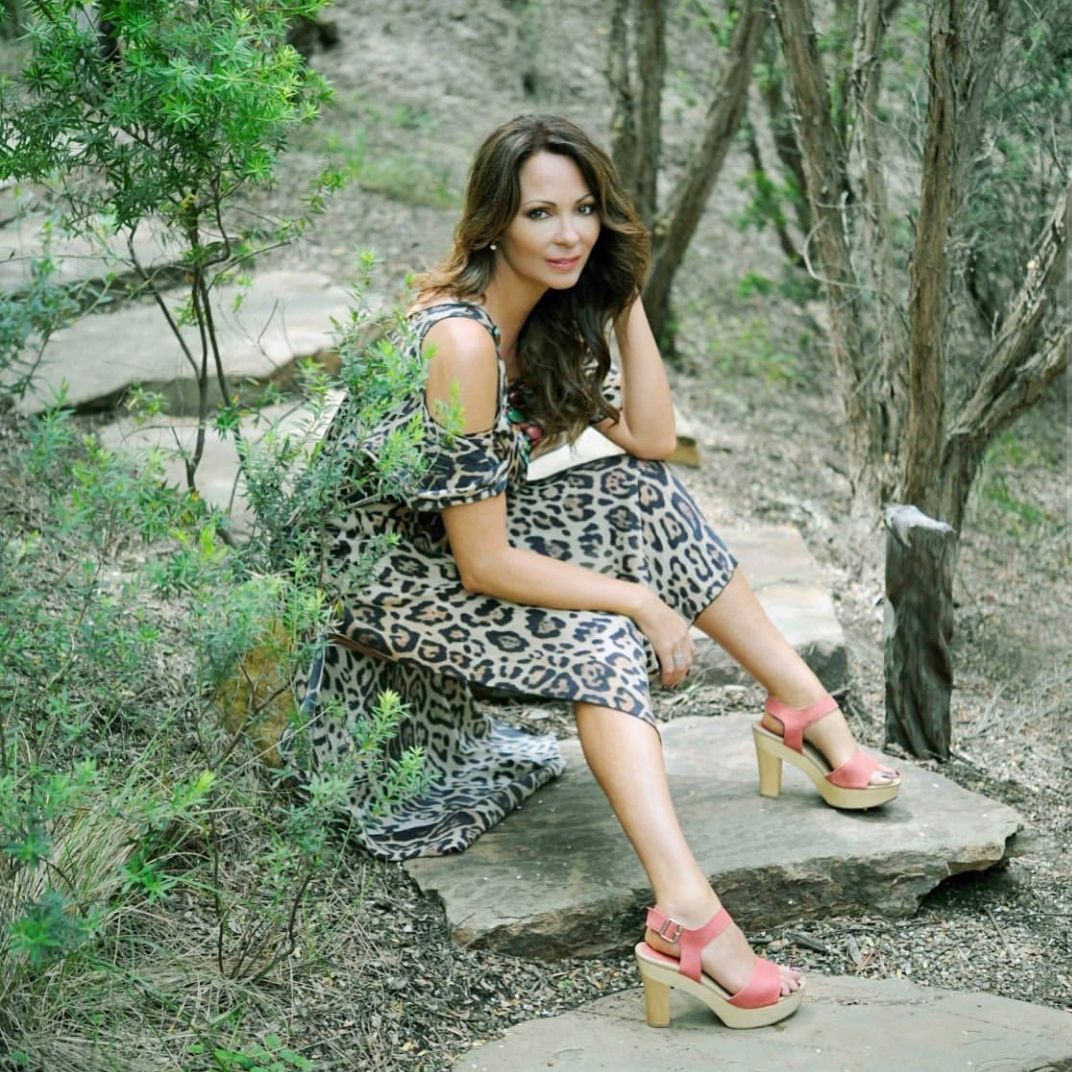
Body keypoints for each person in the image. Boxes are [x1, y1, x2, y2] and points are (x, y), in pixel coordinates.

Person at [286, 114, 900, 1029]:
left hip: (439, 545)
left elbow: (652, 439)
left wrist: (624, 290)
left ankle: (803, 710)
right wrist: (639, 600)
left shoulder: (543, 312)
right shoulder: (460, 341)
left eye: (583, 211)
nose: (567, 234)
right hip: (374, 580)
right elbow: (483, 562)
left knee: (639, 493)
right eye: (540, 214)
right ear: (494, 222)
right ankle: (687, 915)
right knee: (604, 636)